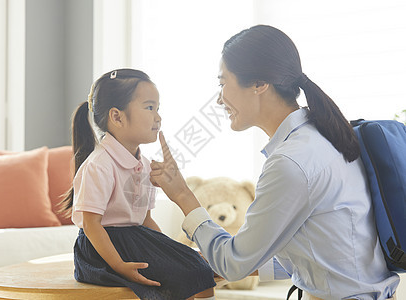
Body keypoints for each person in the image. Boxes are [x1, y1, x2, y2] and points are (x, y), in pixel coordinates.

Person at [150, 25, 400, 300]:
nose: (220, 98)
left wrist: (183, 195)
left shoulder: (291, 162)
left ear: (259, 83)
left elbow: (233, 264)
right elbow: (325, 256)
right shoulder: (322, 138)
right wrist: (230, 259)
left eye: (222, 84)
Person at [62, 69, 216, 300]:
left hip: (135, 239)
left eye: (158, 108)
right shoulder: (99, 165)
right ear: (117, 117)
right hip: (102, 249)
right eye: (149, 107)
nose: (158, 117)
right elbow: (91, 224)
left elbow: (145, 219)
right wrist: (119, 265)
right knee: (189, 275)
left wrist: (173, 251)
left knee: (198, 270)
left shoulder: (144, 165)